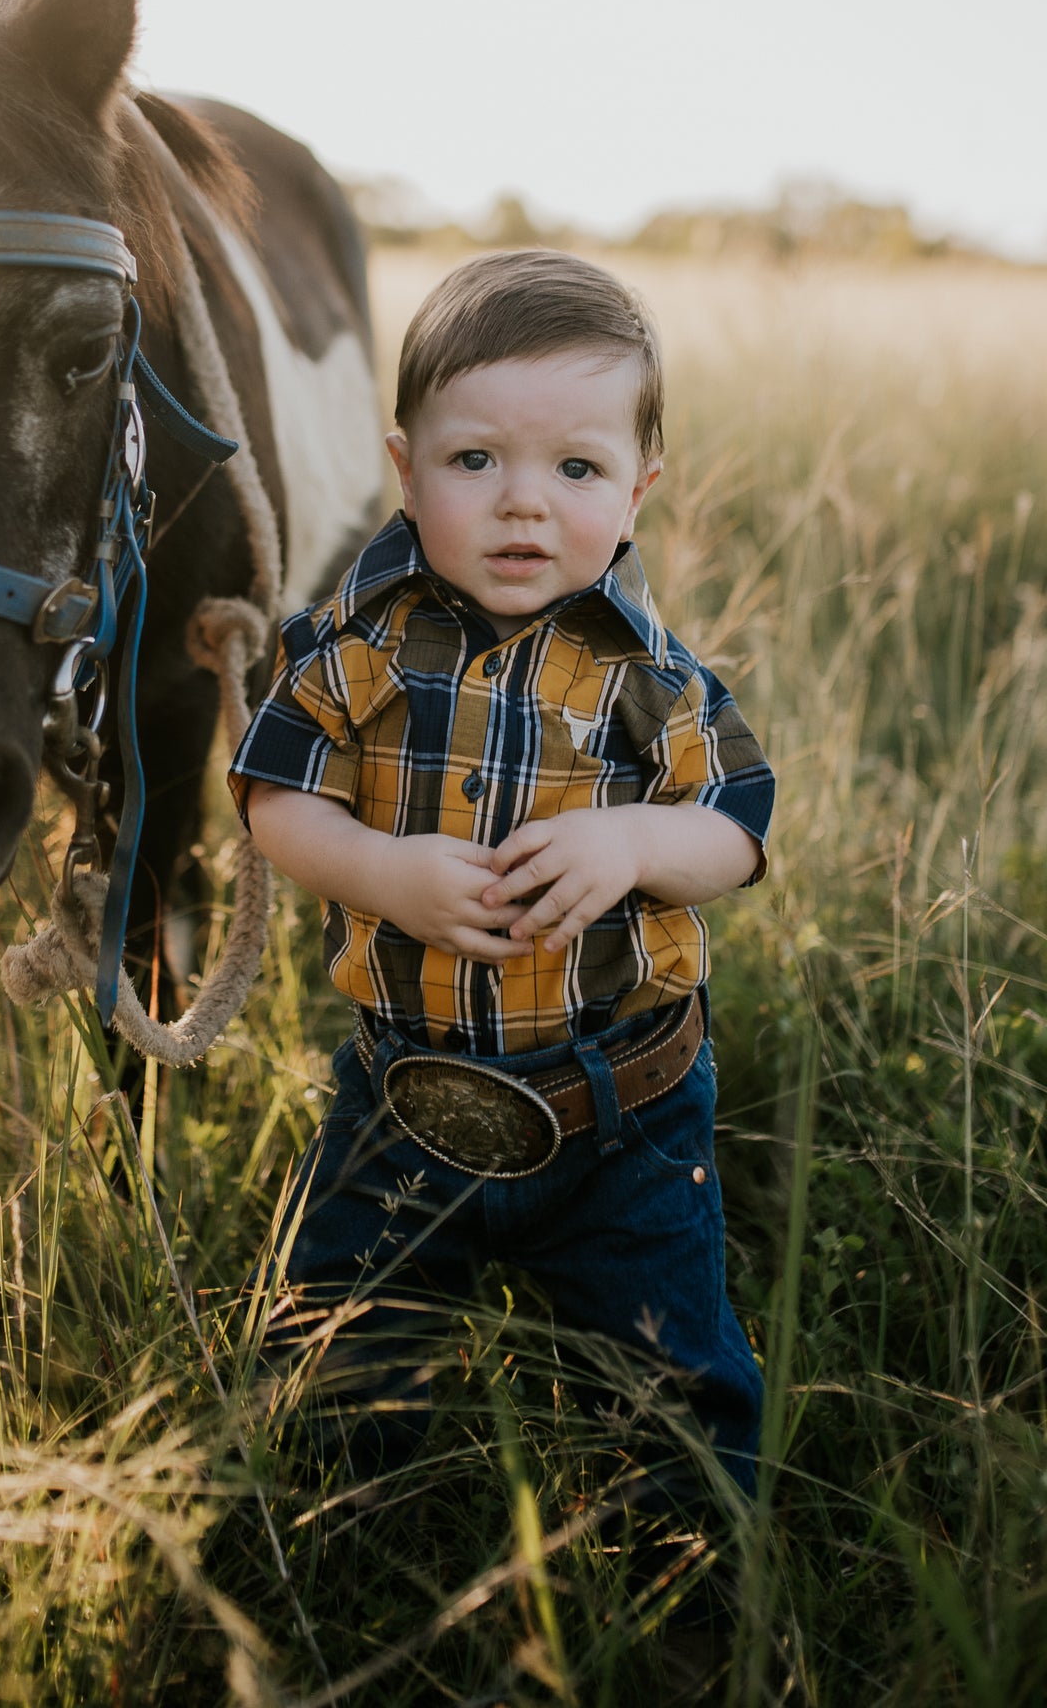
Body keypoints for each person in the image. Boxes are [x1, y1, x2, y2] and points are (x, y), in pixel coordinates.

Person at [229, 249, 774, 1499]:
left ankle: (691, 1588)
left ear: (637, 492)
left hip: (621, 1113)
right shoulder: (355, 645)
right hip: (401, 1096)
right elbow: (273, 795)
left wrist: (635, 843)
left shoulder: (652, 677)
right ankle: (333, 1538)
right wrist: (378, 869)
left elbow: (737, 821)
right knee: (339, 1353)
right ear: (404, 470)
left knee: (671, 1382)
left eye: (575, 470)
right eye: (476, 461)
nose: (524, 504)